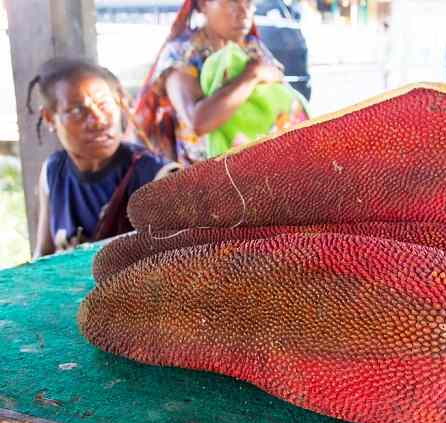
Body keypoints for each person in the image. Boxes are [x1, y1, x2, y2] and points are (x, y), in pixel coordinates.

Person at [29, 58, 179, 259]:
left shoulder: (158, 176)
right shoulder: (53, 171)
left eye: (104, 104)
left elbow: (180, 261)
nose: (98, 120)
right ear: (49, 118)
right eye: (77, 110)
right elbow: (42, 256)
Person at [136, 0, 308, 165]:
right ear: (204, 4)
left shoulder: (252, 47)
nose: (244, 11)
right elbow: (199, 121)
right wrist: (252, 75)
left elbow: (283, 96)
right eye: (233, 1)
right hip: (205, 180)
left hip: (260, 169)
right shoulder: (183, 54)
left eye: (248, 1)